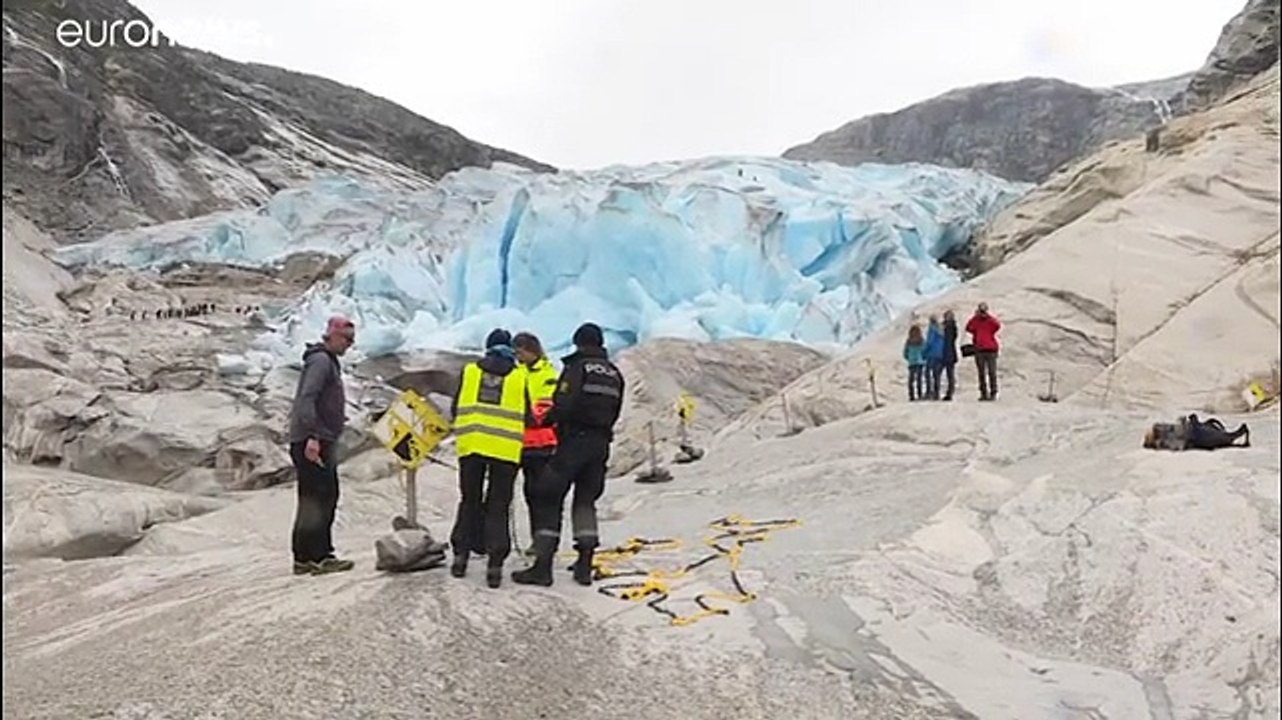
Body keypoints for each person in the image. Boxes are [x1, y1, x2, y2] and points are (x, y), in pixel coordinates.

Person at [513, 322, 625, 588]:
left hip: (574, 441)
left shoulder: (576, 368)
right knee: (585, 501)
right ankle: (584, 564)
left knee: (547, 495)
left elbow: (563, 404)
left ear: (579, 343)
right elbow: (617, 410)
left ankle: (543, 567)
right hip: (600, 445)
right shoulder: (614, 373)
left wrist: (547, 420)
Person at [448, 328, 529, 589]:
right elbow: (527, 415)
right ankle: (495, 564)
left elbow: (455, 407)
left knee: (469, 499)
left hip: (471, 446)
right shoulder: (519, 376)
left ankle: (461, 556)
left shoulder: (470, 371)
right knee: (498, 504)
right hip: (505, 450)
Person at [287, 314, 357, 576]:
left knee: (313, 498)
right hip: (314, 442)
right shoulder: (321, 361)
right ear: (333, 335)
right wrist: (313, 437)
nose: (350, 344)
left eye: (353, 339)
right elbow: (308, 398)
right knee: (322, 497)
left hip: (315, 439)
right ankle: (319, 556)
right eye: (347, 338)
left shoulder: (326, 361)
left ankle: (305, 557)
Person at [513, 331, 559, 553]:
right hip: (521, 443)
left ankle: (545, 541)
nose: (518, 356)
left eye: (520, 351)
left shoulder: (548, 373)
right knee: (530, 494)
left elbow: (547, 406)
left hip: (543, 442)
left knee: (543, 494)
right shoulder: (517, 373)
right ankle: (536, 539)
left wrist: (529, 416)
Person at [965, 303, 1002, 401]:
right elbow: (968, 328)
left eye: (983, 311)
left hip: (991, 349)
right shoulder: (976, 321)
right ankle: (984, 393)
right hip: (980, 349)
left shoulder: (990, 321)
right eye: (981, 311)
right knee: (981, 373)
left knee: (991, 372)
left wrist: (988, 317)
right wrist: (974, 317)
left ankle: (993, 392)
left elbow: (997, 325)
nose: (982, 313)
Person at [924, 316, 947, 400]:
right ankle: (936, 393)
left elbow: (929, 341)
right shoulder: (942, 331)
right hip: (940, 354)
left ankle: (929, 391)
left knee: (927, 373)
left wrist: (925, 351)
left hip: (932, 354)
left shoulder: (932, 329)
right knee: (936, 374)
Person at [903, 323, 927, 402]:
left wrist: (909, 358)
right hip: (919, 362)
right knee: (919, 380)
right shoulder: (921, 340)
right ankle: (919, 394)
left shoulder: (908, 341)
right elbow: (925, 350)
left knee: (911, 380)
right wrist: (924, 358)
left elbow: (905, 353)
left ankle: (911, 395)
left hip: (912, 362)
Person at [941, 310, 960, 401]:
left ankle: (949, 392)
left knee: (949, 374)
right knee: (949, 374)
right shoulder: (951, 327)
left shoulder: (949, 327)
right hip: (948, 352)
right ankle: (948, 391)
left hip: (947, 353)